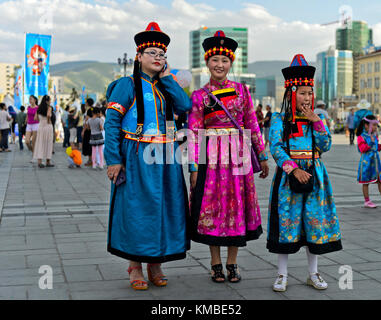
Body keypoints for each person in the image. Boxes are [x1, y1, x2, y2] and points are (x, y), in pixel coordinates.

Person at [104, 22, 192, 290]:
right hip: (136, 155)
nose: (157, 58)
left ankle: (156, 263)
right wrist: (114, 159)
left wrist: (167, 79)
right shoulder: (126, 84)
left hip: (165, 156)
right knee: (137, 211)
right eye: (152, 52)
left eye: (162, 54)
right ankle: (135, 266)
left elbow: (185, 106)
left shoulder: (167, 85)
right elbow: (111, 123)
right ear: (138, 57)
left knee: (165, 208)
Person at [188, 30, 269, 284]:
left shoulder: (242, 91)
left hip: (238, 157)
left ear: (231, 63)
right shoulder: (200, 96)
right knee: (212, 209)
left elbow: (252, 124)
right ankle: (215, 263)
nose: (220, 65)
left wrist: (263, 155)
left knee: (236, 208)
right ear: (207, 63)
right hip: (211, 160)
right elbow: (193, 133)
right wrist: (193, 167)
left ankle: (232, 263)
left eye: (225, 61)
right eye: (215, 60)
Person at [267, 54, 342, 292]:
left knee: (314, 223)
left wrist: (316, 121)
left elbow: (326, 145)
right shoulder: (280, 119)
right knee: (287, 223)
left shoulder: (316, 119)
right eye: (302, 93)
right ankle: (281, 274)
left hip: (316, 176)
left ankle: (313, 273)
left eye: (310, 93)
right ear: (291, 93)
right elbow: (276, 148)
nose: (307, 97)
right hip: (289, 178)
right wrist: (294, 169)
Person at [356, 115, 381, 207]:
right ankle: (367, 201)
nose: (375, 127)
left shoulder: (374, 135)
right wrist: (370, 142)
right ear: (366, 125)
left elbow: (378, 148)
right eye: (373, 125)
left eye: (375, 125)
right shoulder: (361, 136)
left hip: (376, 162)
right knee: (366, 182)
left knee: (380, 181)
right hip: (366, 162)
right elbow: (362, 149)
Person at [33, 95, 54, 168]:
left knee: (40, 143)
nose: (50, 102)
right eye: (50, 100)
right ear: (47, 101)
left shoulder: (38, 108)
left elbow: (35, 118)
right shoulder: (49, 107)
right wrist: (48, 120)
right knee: (48, 143)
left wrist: (41, 121)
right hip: (48, 126)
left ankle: (40, 162)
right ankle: (48, 162)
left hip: (41, 127)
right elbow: (48, 115)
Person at [82, 98, 94, 166]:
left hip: (88, 130)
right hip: (92, 129)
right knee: (91, 145)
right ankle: (91, 160)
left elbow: (87, 121)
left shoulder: (89, 110)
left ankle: (90, 160)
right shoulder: (92, 109)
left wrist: (83, 130)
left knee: (88, 145)